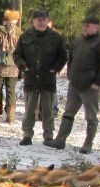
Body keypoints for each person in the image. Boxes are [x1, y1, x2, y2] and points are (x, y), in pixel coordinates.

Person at [45, 16, 100, 154]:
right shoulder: (79, 40)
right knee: (68, 113)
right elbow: (71, 58)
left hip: (91, 86)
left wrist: (97, 83)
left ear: (96, 27)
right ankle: (60, 140)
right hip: (75, 84)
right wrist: (70, 74)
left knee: (91, 117)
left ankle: (88, 144)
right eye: (84, 25)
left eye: (88, 25)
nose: (85, 28)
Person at [13, 9, 67, 146]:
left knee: (48, 110)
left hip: (47, 79)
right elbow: (17, 54)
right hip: (31, 78)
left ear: (48, 21)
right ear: (33, 21)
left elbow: (63, 56)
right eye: (39, 20)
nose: (41, 22)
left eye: (44, 20)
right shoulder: (25, 36)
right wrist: (23, 67)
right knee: (29, 110)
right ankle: (27, 134)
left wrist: (55, 68)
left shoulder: (56, 37)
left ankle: (48, 136)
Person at [0, 9, 21, 124]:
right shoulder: (19, 33)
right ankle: (10, 117)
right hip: (13, 66)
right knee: (11, 91)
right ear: (16, 20)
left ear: (6, 19)